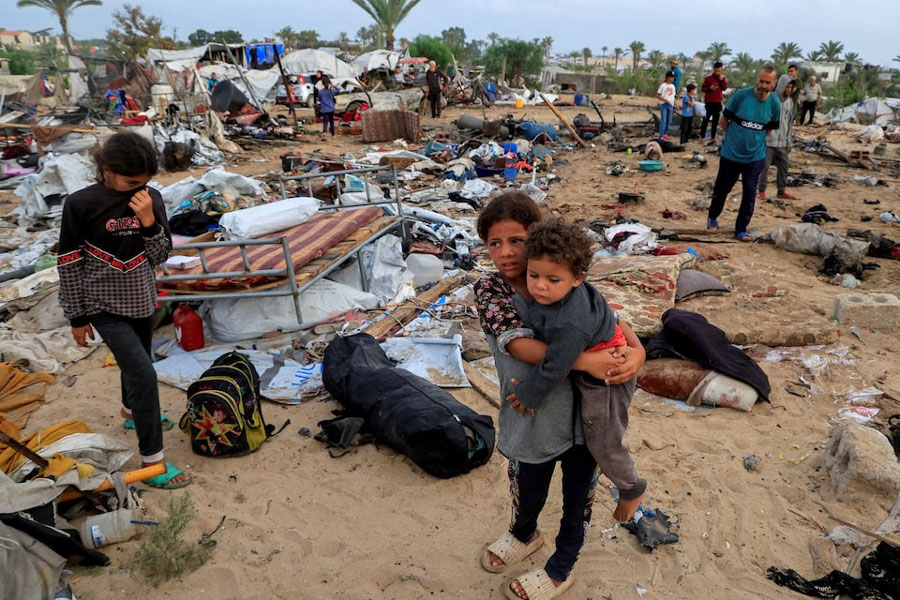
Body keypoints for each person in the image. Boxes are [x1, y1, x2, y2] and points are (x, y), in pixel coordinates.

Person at [474, 192, 646, 600]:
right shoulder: (492, 290)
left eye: (516, 240)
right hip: (532, 414)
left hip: (583, 419)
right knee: (527, 482)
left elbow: (615, 321)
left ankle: (561, 566)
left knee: (577, 498)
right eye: (494, 244)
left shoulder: (565, 276)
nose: (506, 253)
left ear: (536, 238)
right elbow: (517, 345)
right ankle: (524, 533)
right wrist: (587, 362)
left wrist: (637, 354)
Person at [57, 132, 190, 490]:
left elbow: (160, 256)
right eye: (131, 182)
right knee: (145, 375)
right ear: (105, 170)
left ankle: (130, 412)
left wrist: (148, 219)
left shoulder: (151, 200)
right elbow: (69, 263)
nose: (138, 190)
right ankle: (153, 462)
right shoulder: (80, 204)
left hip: (143, 300)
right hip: (102, 306)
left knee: (139, 359)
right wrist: (77, 317)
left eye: (145, 183)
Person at [511, 218, 647, 518]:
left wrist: (529, 395)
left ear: (577, 278)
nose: (540, 285)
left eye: (552, 280)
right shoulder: (557, 296)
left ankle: (630, 487)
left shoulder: (571, 322)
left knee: (603, 439)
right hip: (598, 362)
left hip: (609, 377)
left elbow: (556, 365)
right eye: (533, 275)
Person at [707, 66, 780, 241]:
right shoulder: (741, 96)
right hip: (731, 155)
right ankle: (713, 216)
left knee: (749, 193)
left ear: (774, 83)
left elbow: (768, 130)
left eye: (767, 82)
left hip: (755, 157)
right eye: (761, 81)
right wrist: (735, 139)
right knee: (722, 189)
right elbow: (724, 121)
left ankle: (741, 229)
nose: (763, 85)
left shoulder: (775, 104)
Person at [758, 76, 798, 201]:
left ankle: (781, 191)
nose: (788, 89)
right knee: (764, 167)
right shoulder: (770, 98)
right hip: (769, 141)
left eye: (791, 87)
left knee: (784, 167)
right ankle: (761, 191)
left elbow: (789, 122)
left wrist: (788, 141)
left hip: (782, 142)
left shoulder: (790, 102)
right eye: (787, 86)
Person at [700, 61, 728, 144]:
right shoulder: (708, 78)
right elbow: (703, 89)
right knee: (706, 120)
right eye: (716, 71)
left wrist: (722, 80)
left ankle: (713, 137)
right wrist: (710, 88)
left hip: (718, 102)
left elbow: (724, 88)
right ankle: (702, 137)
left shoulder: (723, 78)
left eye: (719, 71)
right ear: (713, 69)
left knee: (715, 121)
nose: (718, 72)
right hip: (709, 102)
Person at [656, 70, 677, 141]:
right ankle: (661, 135)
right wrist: (664, 100)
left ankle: (666, 134)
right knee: (663, 120)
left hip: (671, 105)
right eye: (670, 77)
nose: (672, 79)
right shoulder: (663, 85)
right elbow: (658, 95)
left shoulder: (673, 86)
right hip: (664, 104)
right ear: (667, 77)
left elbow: (674, 96)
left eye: (673, 77)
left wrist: (675, 104)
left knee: (669, 120)